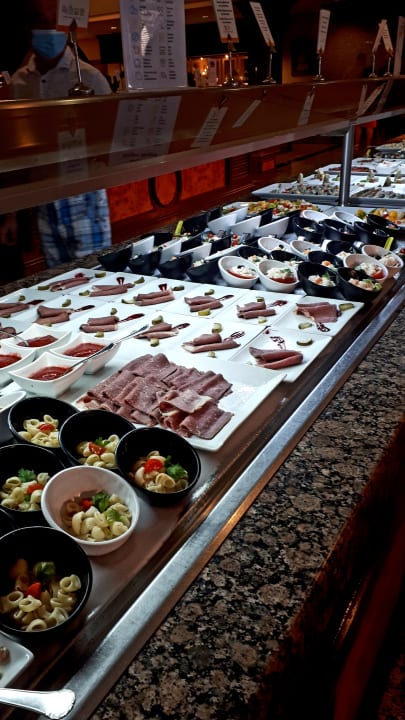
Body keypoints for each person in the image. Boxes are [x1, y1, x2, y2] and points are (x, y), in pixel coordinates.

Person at [10, 23, 113, 268]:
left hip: (84, 195)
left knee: (94, 271)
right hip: (42, 194)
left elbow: (112, 135)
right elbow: (14, 151)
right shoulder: (19, 82)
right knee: (58, 276)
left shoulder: (89, 77)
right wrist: (11, 213)